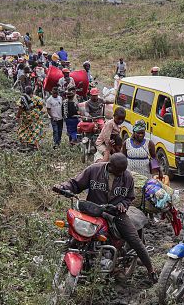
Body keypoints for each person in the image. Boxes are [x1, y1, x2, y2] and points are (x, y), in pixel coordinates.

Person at [54, 154, 157, 283]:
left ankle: (151, 270)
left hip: (115, 213)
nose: (121, 173)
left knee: (134, 240)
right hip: (92, 210)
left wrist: (123, 205)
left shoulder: (127, 177)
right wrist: (63, 187)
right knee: (74, 233)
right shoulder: (94, 170)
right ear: (110, 165)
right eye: (118, 170)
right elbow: (75, 184)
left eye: (123, 170)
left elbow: (129, 197)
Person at [15, 86, 45, 150]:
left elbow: (20, 109)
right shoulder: (37, 98)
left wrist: (17, 116)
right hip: (35, 116)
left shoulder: (22, 99)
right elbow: (41, 106)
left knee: (25, 128)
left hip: (26, 116)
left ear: (25, 92)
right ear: (32, 91)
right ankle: (35, 144)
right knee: (35, 128)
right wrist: (36, 111)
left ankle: (26, 142)